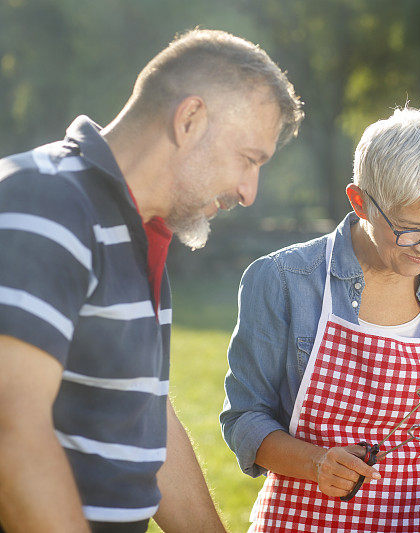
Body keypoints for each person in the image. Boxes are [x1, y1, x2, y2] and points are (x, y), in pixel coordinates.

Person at [0, 29, 303, 533]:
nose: (250, 192)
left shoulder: (141, 235)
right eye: (250, 160)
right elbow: (11, 428)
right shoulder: (44, 202)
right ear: (190, 120)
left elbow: (146, 418)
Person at [221, 107, 420, 532]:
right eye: (409, 229)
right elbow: (243, 418)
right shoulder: (284, 280)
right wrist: (316, 463)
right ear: (359, 202)